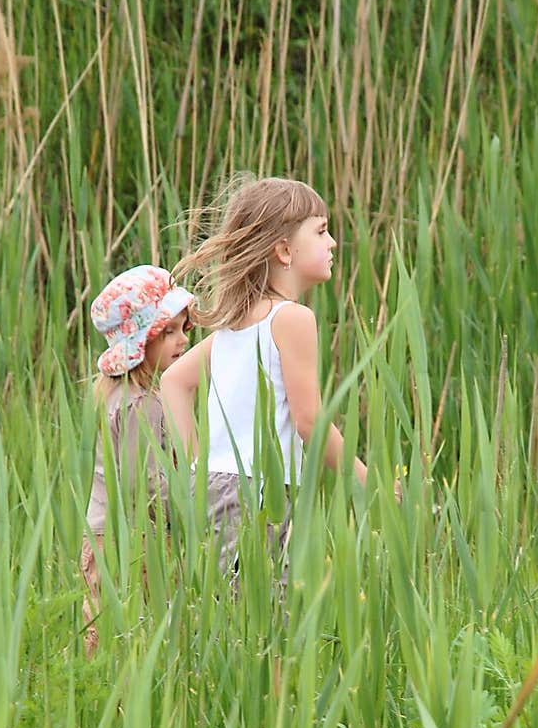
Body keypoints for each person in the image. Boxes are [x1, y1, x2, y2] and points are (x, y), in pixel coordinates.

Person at [159, 175, 398, 583]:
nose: (333, 243)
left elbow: (174, 383)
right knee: (270, 620)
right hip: (260, 493)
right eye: (321, 231)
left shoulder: (235, 324)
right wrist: (370, 480)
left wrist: (199, 466)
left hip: (217, 490)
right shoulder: (292, 319)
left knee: (231, 617)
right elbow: (310, 422)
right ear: (285, 250)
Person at [81, 264, 194, 656]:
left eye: (184, 329)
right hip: (127, 537)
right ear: (141, 339)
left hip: (110, 532)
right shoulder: (138, 404)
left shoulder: (123, 396)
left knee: (109, 623)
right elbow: (144, 483)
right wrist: (189, 506)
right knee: (126, 629)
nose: (182, 340)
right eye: (168, 332)